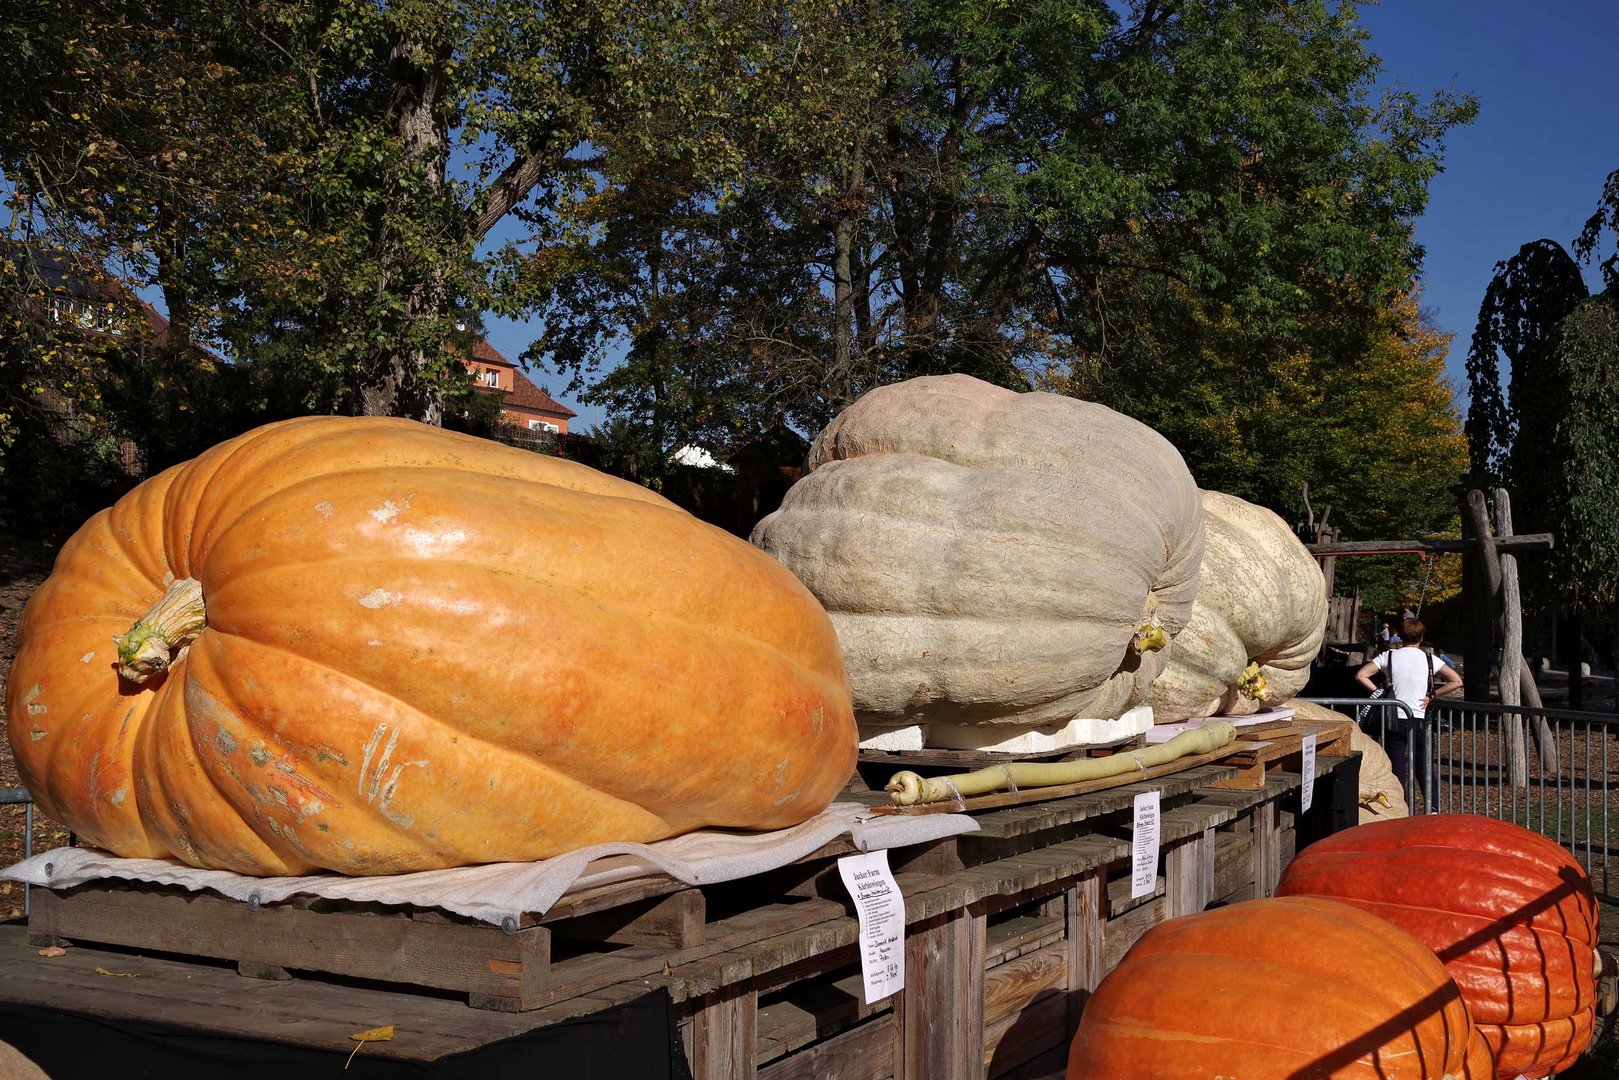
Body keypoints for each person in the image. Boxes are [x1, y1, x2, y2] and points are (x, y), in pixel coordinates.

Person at [1354, 617, 1463, 808]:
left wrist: (1378, 693)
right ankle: (1434, 809)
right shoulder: (1430, 659)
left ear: (1400, 636)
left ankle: (1399, 809)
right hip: (1419, 719)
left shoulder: (1388, 656)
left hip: (1393, 720)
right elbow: (1456, 680)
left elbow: (1361, 675)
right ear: (1422, 637)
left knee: (1397, 770)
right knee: (1425, 768)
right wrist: (1432, 695)